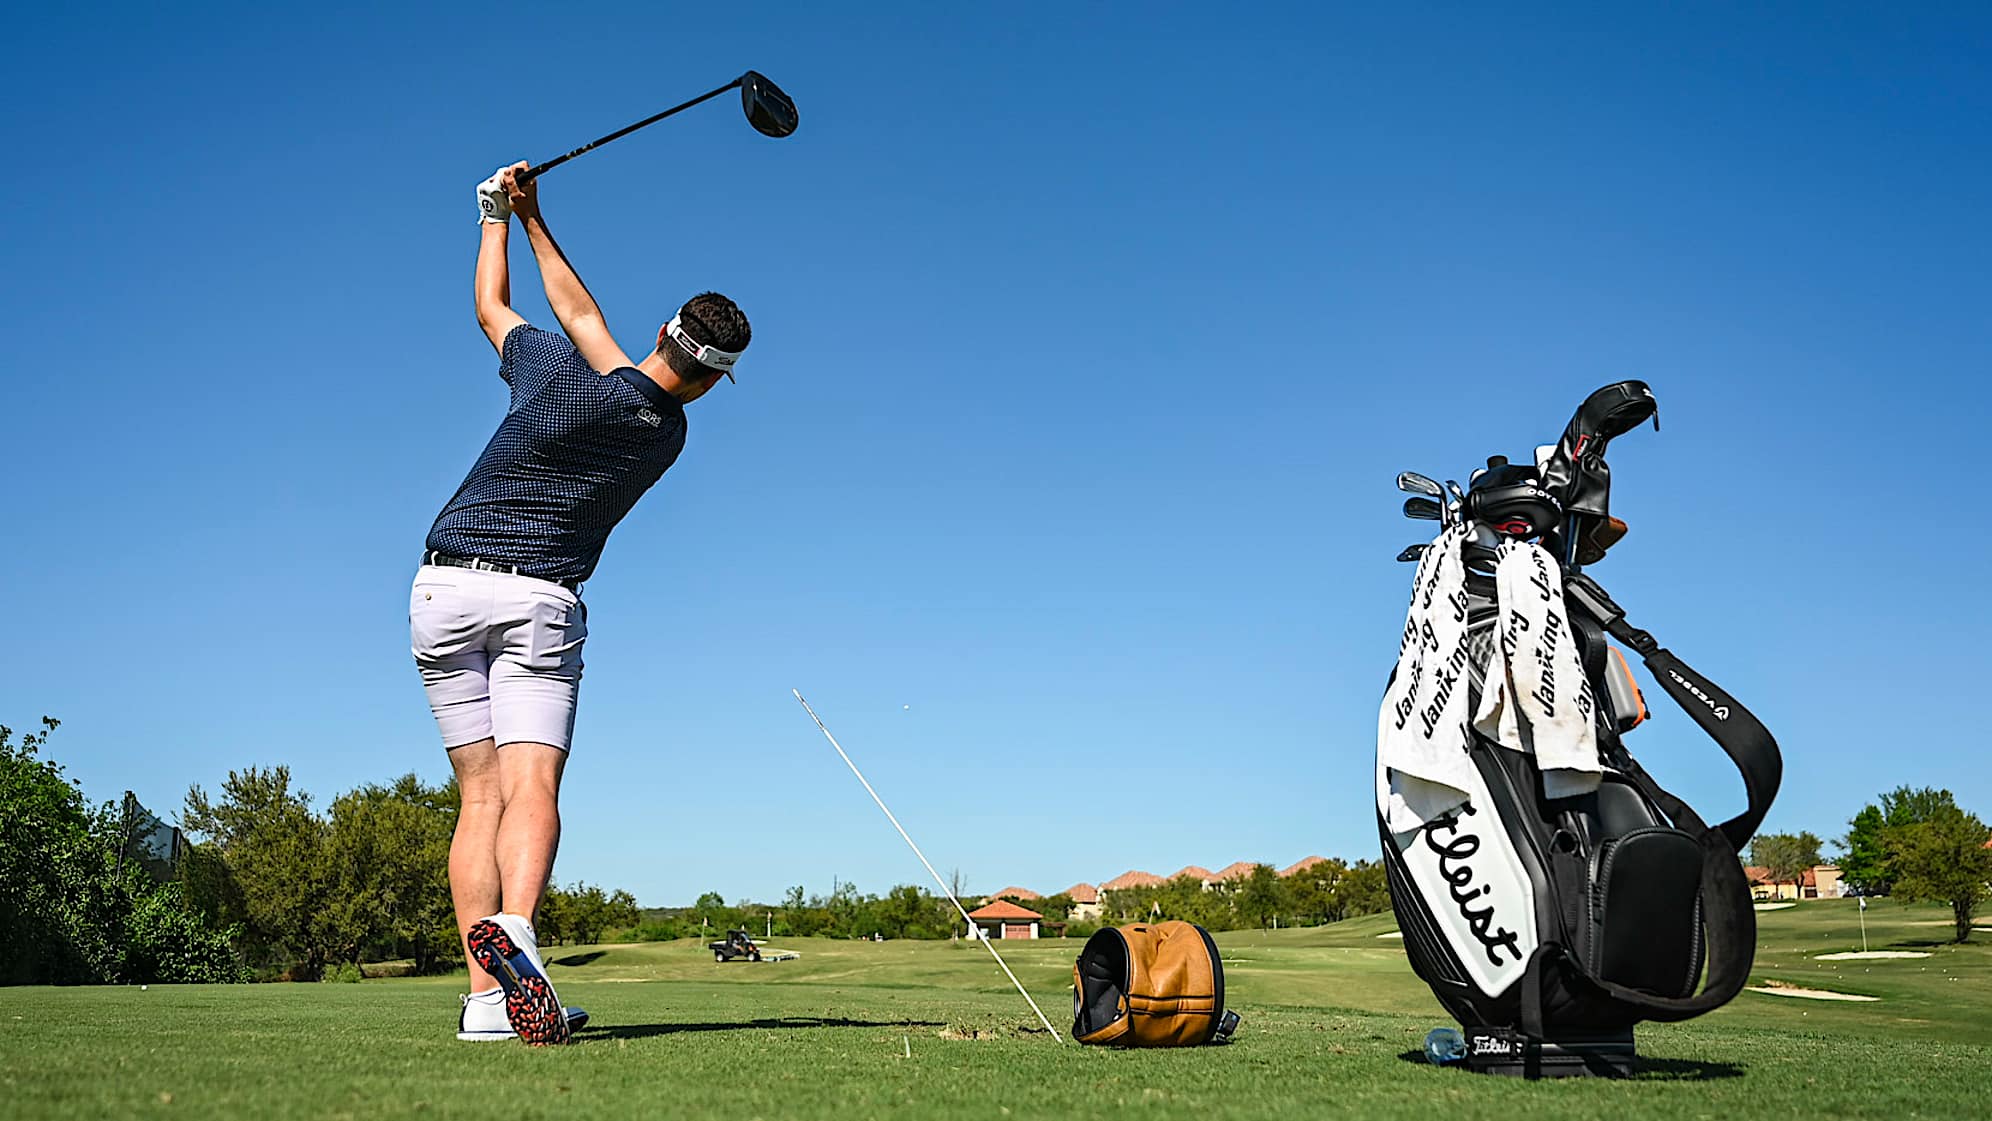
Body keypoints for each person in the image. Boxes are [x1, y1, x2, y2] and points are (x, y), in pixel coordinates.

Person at [411, 163, 752, 1044]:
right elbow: (595, 329)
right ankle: (517, 934)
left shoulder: (553, 367)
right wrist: (529, 218)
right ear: (712, 379)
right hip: (536, 600)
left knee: (475, 798)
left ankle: (488, 1001)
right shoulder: (664, 433)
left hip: (442, 583)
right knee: (531, 783)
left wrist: (505, 216)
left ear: (664, 332)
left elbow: (506, 309)